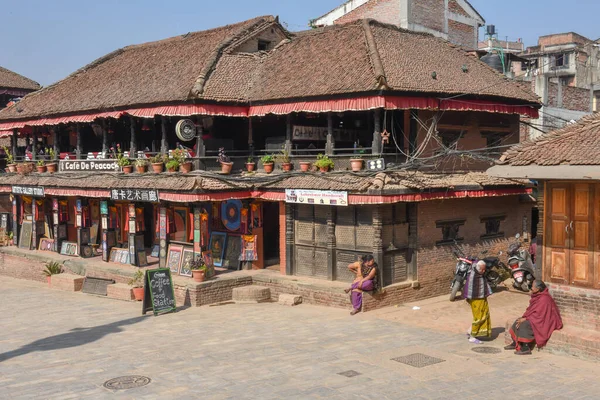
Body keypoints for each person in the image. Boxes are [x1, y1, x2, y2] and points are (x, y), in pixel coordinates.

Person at [505, 280, 562, 355]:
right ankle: (515, 342)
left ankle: (525, 348)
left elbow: (540, 315)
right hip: (535, 317)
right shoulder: (538, 295)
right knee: (518, 321)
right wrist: (525, 317)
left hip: (544, 320)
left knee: (525, 324)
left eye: (532, 287)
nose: (531, 288)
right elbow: (532, 310)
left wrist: (526, 319)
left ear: (538, 289)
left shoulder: (544, 299)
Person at [464, 260, 492, 344]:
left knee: (483, 314)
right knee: (479, 317)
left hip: (481, 298)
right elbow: (470, 289)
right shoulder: (473, 276)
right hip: (476, 299)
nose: (484, 271)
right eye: (482, 270)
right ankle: (472, 337)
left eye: (484, 269)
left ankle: (469, 331)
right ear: (478, 268)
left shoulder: (479, 272)